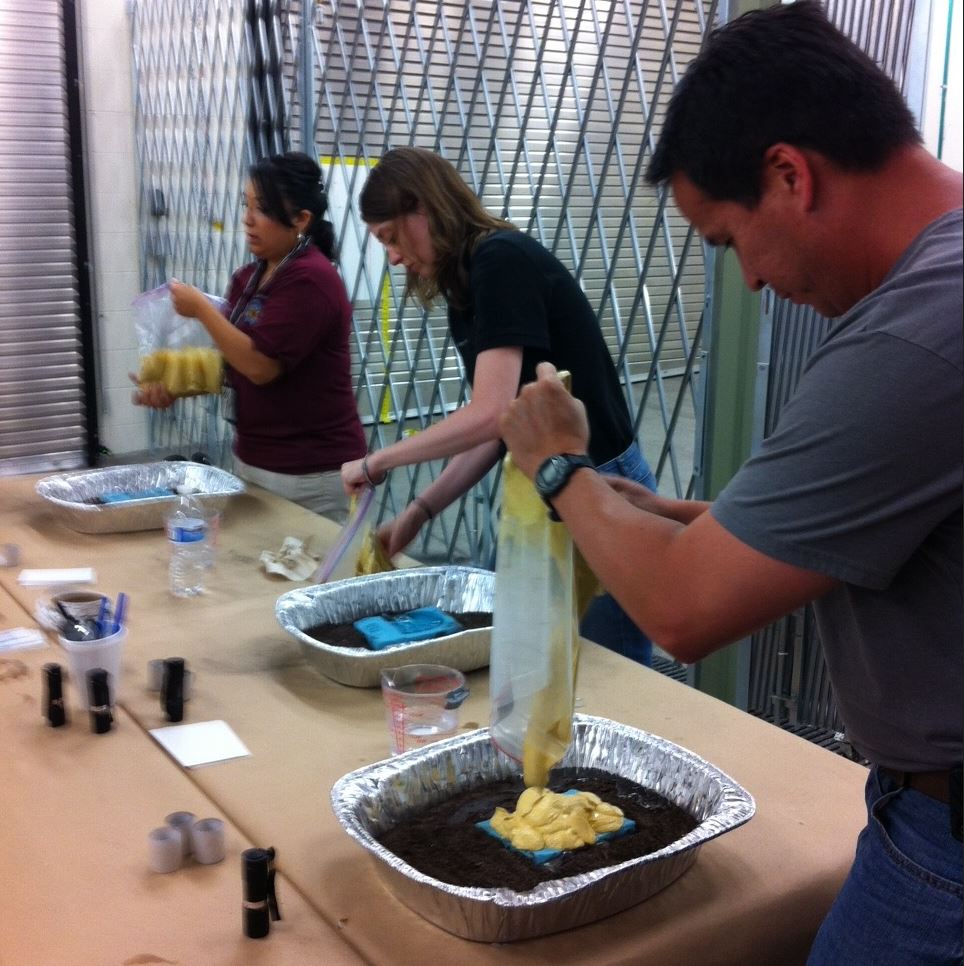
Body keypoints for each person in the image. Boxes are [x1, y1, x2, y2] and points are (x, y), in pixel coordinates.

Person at [500, 3, 962, 963]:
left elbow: (683, 608)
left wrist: (558, 466)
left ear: (790, 176)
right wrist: (677, 517)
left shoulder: (920, 333)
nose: (747, 281)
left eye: (725, 239)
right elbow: (880, 529)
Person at [341, 146, 658, 664]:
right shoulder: (469, 283)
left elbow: (489, 413)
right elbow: (500, 427)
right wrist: (421, 512)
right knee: (535, 660)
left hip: (602, 484)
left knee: (608, 670)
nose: (394, 258)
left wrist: (377, 462)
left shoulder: (500, 260)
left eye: (392, 238)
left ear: (424, 209)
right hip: (552, 487)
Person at [134, 152, 366, 522]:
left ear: (301, 220)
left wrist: (202, 309)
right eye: (247, 205)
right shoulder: (250, 278)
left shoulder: (310, 281)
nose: (248, 218)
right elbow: (233, 364)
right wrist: (172, 387)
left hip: (311, 476)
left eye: (263, 208)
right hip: (256, 462)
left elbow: (260, 367)